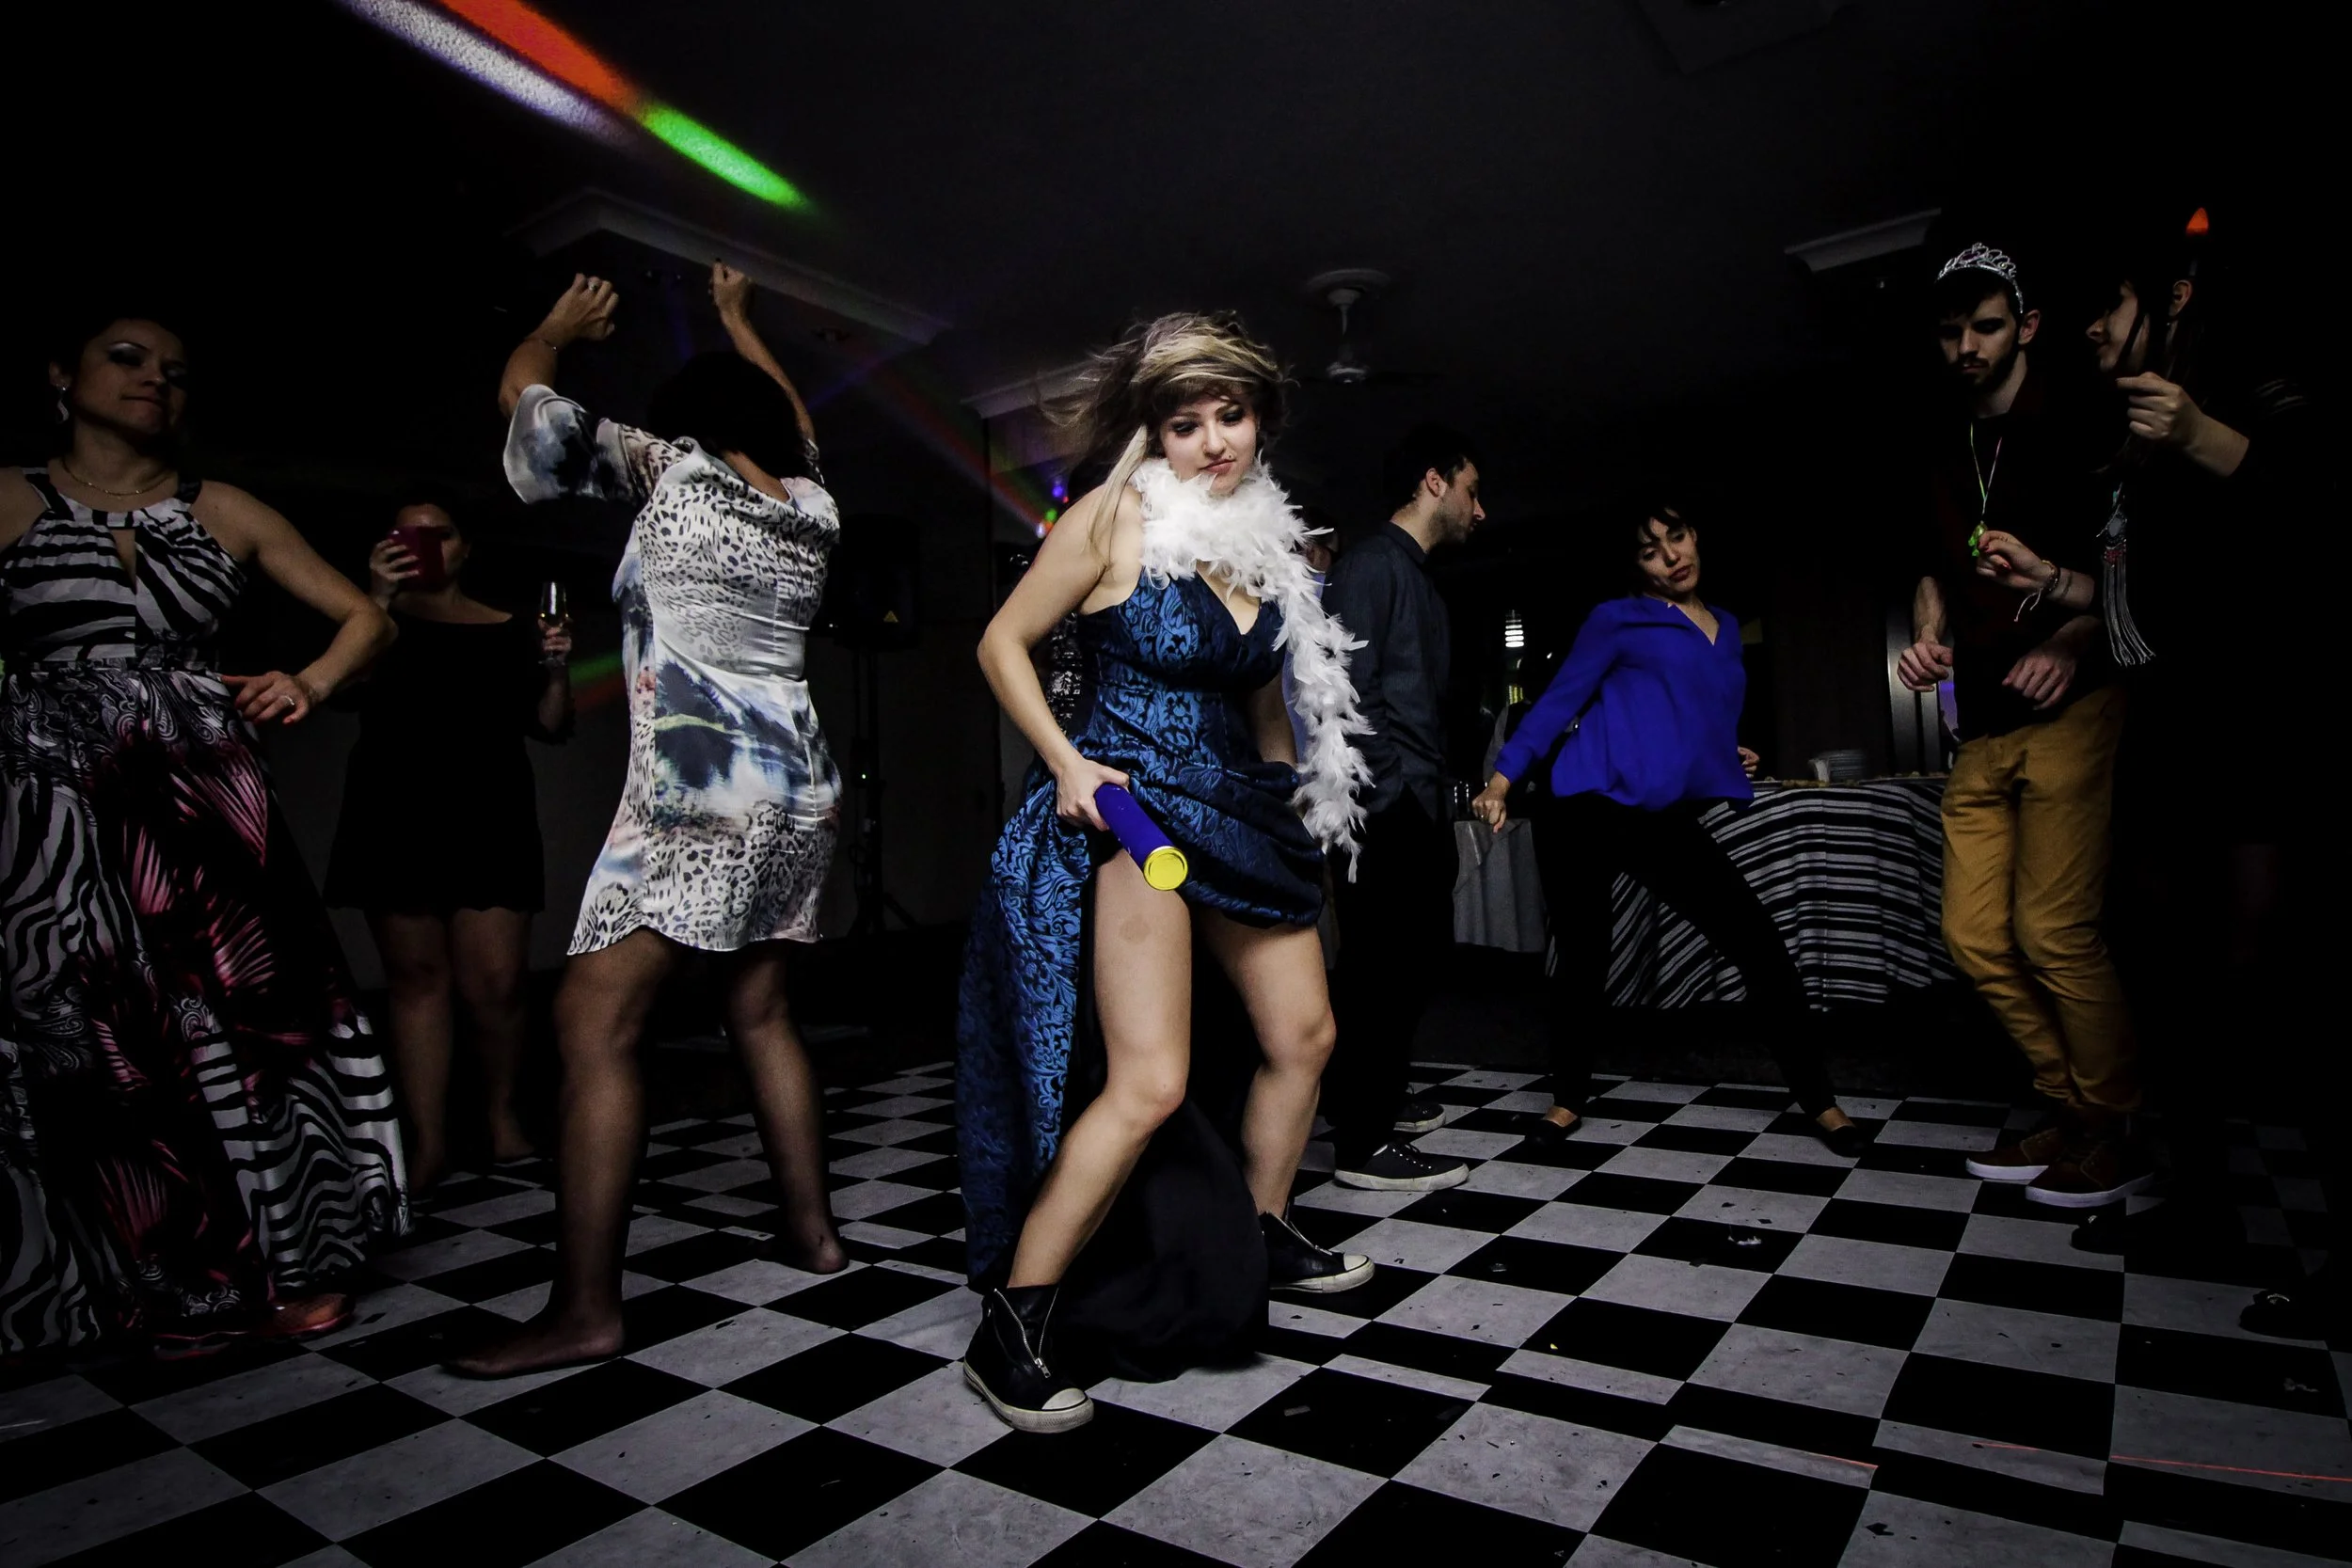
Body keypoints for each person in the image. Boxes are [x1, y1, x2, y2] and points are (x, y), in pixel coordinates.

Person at [958, 312, 1376, 1433]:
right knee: (1148, 1080)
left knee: (1305, 1037)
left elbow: (1262, 695)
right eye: (1183, 422)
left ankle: (1262, 1226)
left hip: (1238, 813)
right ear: (1153, 430)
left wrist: (1290, 800)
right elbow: (1002, 642)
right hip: (1133, 818)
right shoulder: (1110, 519)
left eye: (1229, 414)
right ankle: (1017, 1317)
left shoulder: (1266, 541)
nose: (1210, 441)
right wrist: (1068, 763)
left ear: (1260, 419)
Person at [451, 264, 846, 1376]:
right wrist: (739, 320)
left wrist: (551, 325)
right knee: (760, 1006)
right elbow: (804, 431)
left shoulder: (671, 469)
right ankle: (814, 1233)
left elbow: (521, 398)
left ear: (687, 427)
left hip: (699, 788)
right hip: (800, 788)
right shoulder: (811, 509)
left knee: (592, 1024)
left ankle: (584, 1308)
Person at [0, 307, 405, 1356]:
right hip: (63, 805)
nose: (154, 383)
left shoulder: (224, 507)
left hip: (205, 795)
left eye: (176, 372)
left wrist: (308, 679)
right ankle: (147, 1282)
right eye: (125, 359)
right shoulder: (8, 497)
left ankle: (279, 1263)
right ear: (61, 373)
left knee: (249, 1020)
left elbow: (371, 617)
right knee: (96, 1033)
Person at [1971, 210, 2335, 1333]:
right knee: (2174, 982)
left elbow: (2312, 516)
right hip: (2168, 728)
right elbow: (2150, 597)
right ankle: (2202, 1201)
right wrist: (2062, 584)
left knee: (2262, 983)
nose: (2087, 329)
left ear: (2169, 299)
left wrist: (2207, 438)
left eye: (2106, 306)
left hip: (2252, 728)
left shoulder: (2250, 400)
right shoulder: (2133, 435)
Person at [1470, 507, 1859, 1154]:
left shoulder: (1727, 629)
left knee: (1758, 945)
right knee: (1585, 956)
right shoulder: (1617, 619)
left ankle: (1820, 1100)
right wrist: (1504, 779)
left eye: (1675, 538)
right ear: (1637, 566)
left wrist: (1723, 754)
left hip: (1660, 817)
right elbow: (1558, 701)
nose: (1670, 556)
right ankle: (1568, 1100)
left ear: (1695, 534)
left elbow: (1689, 714)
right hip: (1584, 805)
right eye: (1651, 550)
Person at [1896, 243, 2141, 1208]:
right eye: (1951, 331)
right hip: (1983, 722)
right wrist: (1927, 633)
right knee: (1971, 935)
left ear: (2025, 326)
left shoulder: (2083, 423)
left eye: (1986, 326)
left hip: (2071, 706)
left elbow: (2124, 572)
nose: (1966, 347)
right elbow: (1929, 564)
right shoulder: (1943, 441)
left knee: (2052, 930)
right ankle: (2068, 1104)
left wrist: (2075, 639)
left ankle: (2117, 1122)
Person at [323, 502, 575, 1190]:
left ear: (466, 549)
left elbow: (551, 726)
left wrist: (556, 668)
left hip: (489, 814)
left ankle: (500, 1118)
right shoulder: (373, 624)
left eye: (441, 534)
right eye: (408, 534)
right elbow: (339, 691)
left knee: (495, 983)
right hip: (395, 813)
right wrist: (374, 600)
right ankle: (429, 1139)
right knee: (416, 981)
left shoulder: (510, 627)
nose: (425, 546)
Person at [1318, 426, 1486, 1192]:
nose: (1479, 509)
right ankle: (1361, 1141)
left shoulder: (1412, 574)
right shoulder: (1370, 564)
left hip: (1415, 800)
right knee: (1379, 972)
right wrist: (1392, 793)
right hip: (1385, 807)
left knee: (1407, 967)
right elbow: (1345, 691)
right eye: (1471, 489)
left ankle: (1365, 1098)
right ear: (1433, 481)